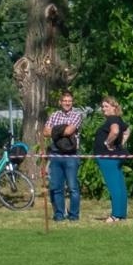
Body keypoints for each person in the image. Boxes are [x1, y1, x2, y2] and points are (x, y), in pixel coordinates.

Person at [44, 91, 83, 222]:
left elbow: (69, 131)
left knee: (73, 187)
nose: (67, 103)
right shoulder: (54, 115)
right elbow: (45, 132)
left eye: (69, 101)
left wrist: (55, 130)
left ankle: (73, 215)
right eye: (65, 101)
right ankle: (59, 214)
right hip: (55, 155)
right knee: (56, 187)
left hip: (71, 155)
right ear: (60, 102)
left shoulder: (77, 115)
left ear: (72, 102)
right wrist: (62, 130)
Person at [92, 96, 131, 223]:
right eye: (102, 107)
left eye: (106, 106)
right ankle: (121, 214)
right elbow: (127, 131)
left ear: (114, 107)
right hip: (115, 156)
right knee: (119, 185)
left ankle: (115, 215)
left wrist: (108, 143)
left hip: (107, 157)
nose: (103, 109)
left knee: (114, 186)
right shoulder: (118, 119)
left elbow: (115, 131)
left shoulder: (112, 119)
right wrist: (121, 144)